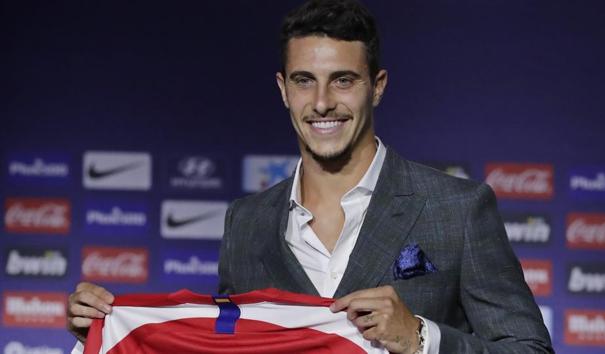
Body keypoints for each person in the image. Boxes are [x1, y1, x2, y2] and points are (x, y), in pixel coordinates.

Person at [67, 0, 554, 353]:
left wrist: (422, 339)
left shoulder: (457, 209)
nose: (322, 103)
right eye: (304, 80)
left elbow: (530, 351)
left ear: (377, 87)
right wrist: (109, 328)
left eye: (343, 80)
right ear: (283, 89)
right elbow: (231, 345)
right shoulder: (248, 221)